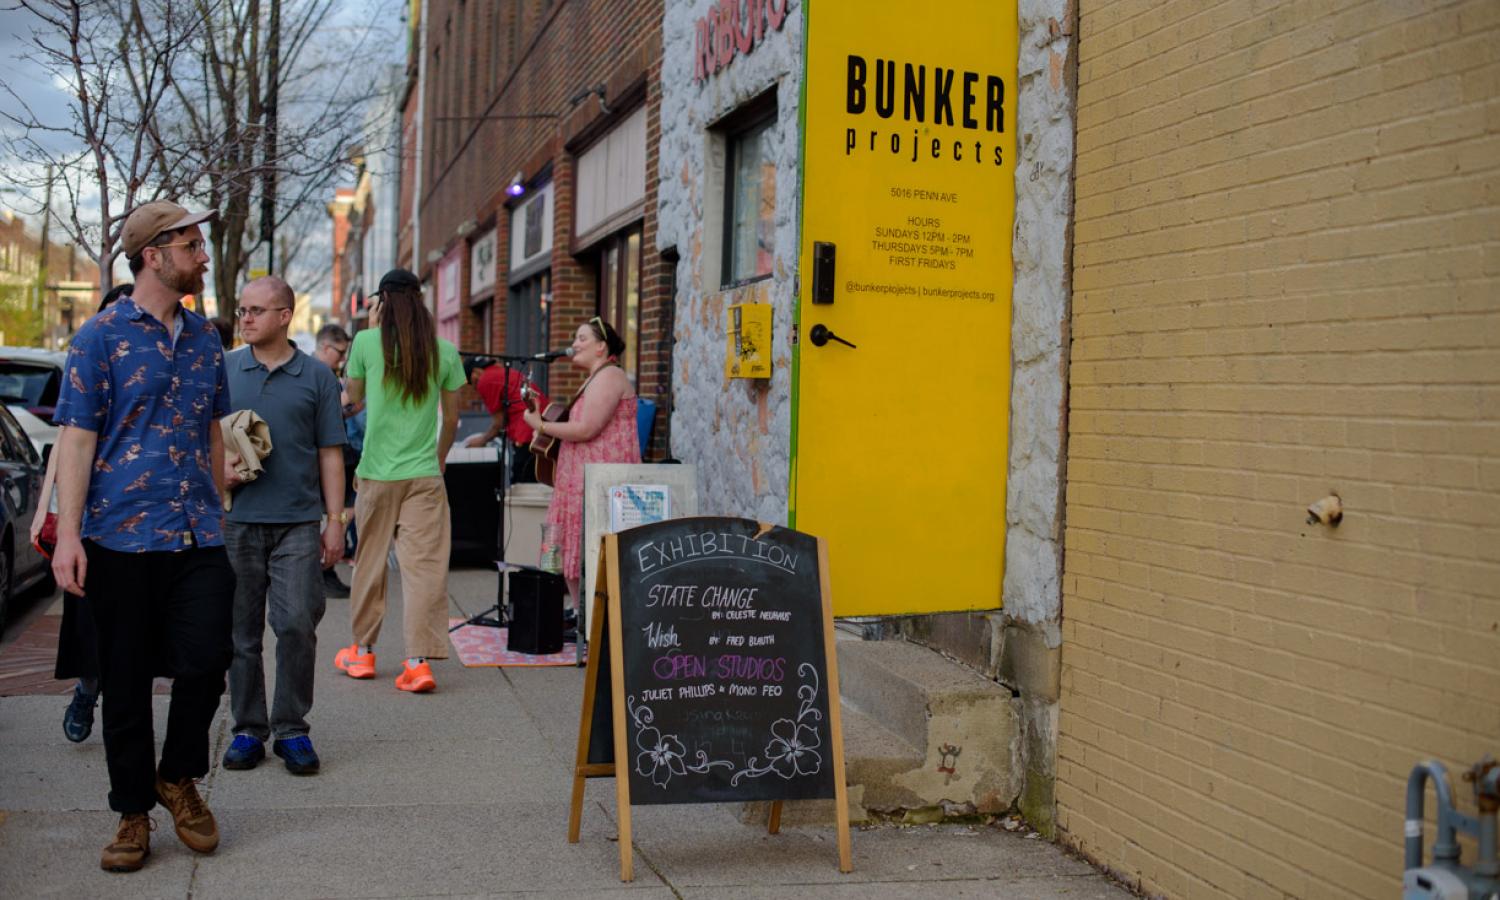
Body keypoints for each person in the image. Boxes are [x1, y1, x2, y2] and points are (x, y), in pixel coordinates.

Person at [51, 200, 234, 873]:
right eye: (191, 244)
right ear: (153, 254)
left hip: (196, 533)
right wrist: (69, 537)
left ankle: (177, 774)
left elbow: (214, 428)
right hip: (118, 538)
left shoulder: (207, 337)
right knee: (123, 679)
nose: (203, 254)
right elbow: (76, 437)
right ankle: (132, 810)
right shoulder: (99, 337)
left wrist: (220, 509)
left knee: (211, 655)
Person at [219, 277, 346, 776]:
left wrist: (334, 523)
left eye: (256, 310)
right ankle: (248, 728)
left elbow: (331, 454)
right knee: (240, 635)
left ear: (285, 316)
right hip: (236, 522)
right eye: (242, 309)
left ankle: (291, 727)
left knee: (296, 625)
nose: (246, 318)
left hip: (296, 523)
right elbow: (201, 440)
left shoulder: (316, 376)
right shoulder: (225, 369)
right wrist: (219, 471)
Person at [333, 269, 464, 693]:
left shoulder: (367, 343)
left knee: (369, 562)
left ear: (383, 300)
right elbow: (453, 419)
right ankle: (418, 663)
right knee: (424, 569)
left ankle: (363, 653)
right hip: (423, 474)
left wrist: (372, 331)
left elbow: (351, 395)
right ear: (420, 298)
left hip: (375, 473)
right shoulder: (443, 350)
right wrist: (439, 460)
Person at [32, 283, 134, 744]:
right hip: (88, 516)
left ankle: (113, 700)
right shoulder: (87, 365)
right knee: (88, 617)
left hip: (140, 517)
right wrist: (47, 512)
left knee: (131, 625)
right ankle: (86, 690)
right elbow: (64, 449)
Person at [521, 317, 639, 606]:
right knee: (563, 549)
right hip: (575, 484)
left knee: (593, 548)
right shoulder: (594, 378)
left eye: (582, 338)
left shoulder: (610, 376)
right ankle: (580, 614)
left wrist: (541, 426)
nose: (574, 344)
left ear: (601, 346)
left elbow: (587, 428)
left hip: (600, 481)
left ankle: (594, 621)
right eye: (575, 338)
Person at [313, 322, 355, 598]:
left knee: (344, 508)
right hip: (320, 455)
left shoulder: (324, 373)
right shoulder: (317, 375)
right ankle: (323, 569)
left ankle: (324, 568)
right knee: (335, 511)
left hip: (332, 451)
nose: (342, 359)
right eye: (340, 352)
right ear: (325, 347)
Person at [463, 356, 547, 483]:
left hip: (526, 431)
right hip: (543, 423)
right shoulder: (500, 371)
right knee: (536, 479)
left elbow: (499, 423)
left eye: (472, 382)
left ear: (475, 372)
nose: (475, 388)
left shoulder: (485, 380)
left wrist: (482, 440)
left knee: (522, 484)